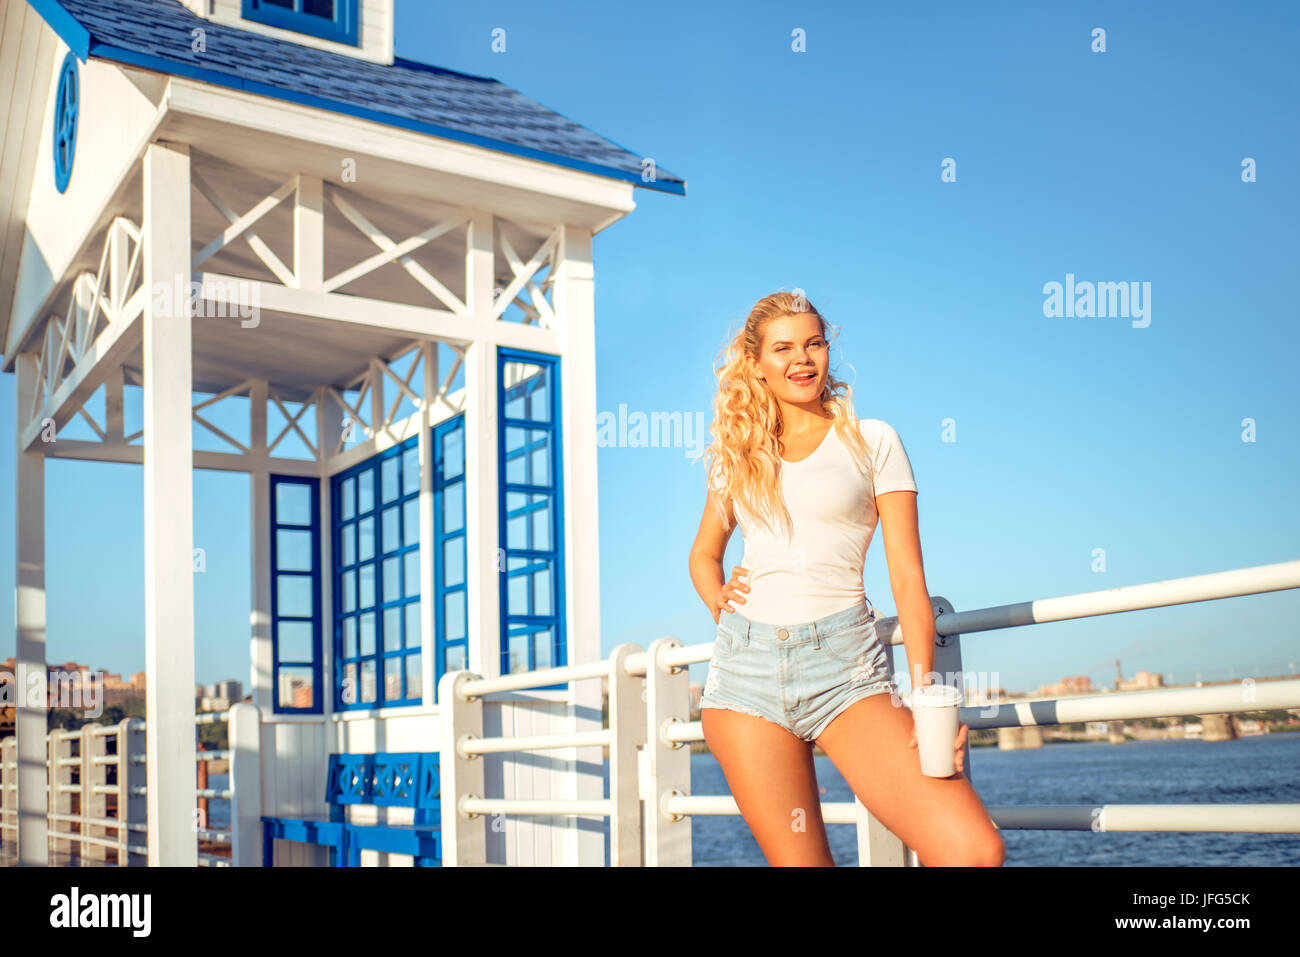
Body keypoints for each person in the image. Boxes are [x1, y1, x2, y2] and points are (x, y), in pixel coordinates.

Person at [688, 290, 1004, 867]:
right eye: (782, 348)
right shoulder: (738, 455)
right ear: (756, 363)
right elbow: (703, 555)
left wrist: (929, 696)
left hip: (847, 672)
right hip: (743, 680)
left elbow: (907, 577)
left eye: (813, 343)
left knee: (971, 851)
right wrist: (720, 600)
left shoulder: (873, 440)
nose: (801, 359)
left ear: (828, 351)